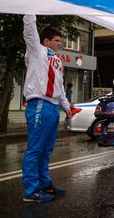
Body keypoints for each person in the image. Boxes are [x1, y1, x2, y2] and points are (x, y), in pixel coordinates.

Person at [21, 15, 71, 203]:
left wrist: (65, 106)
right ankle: (32, 191)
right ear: (46, 40)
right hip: (40, 104)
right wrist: (31, 6)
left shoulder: (57, 61)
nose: (60, 44)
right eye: (57, 40)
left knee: (46, 150)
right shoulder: (36, 51)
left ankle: (45, 185)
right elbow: (29, 29)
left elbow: (60, 86)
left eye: (60, 41)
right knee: (35, 149)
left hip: (53, 107)